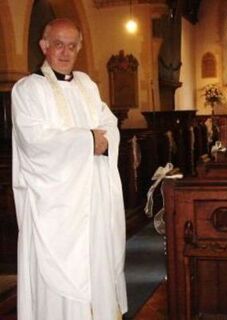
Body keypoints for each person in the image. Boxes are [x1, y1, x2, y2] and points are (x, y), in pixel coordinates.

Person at [11, 18, 127, 320]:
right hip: (56, 207)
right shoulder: (27, 90)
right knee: (60, 278)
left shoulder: (87, 85)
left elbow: (109, 124)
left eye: (72, 45)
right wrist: (87, 139)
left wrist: (101, 139)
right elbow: (34, 141)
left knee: (96, 264)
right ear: (44, 46)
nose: (65, 52)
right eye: (58, 44)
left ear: (79, 48)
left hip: (93, 198)